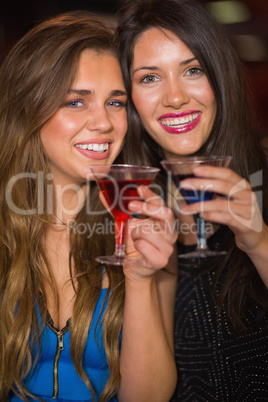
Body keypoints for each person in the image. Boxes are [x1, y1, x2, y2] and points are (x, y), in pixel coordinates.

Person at [0, 10, 178, 401]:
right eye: (76, 102)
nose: (104, 123)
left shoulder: (148, 224)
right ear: (29, 109)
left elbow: (148, 397)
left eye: (115, 103)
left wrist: (141, 279)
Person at [117, 0, 268, 400]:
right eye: (150, 78)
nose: (175, 97)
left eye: (193, 70)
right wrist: (141, 278)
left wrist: (259, 242)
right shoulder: (134, 209)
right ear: (130, 99)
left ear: (218, 77)